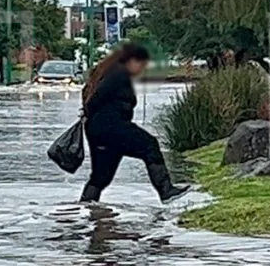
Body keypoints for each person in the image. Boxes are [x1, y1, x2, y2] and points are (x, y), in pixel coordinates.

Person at [79, 43, 190, 204]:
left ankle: (86, 209)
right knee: (150, 145)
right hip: (112, 127)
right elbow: (97, 97)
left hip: (97, 130)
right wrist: (89, 112)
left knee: (100, 177)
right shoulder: (119, 75)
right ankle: (166, 191)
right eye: (142, 65)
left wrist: (88, 115)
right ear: (132, 61)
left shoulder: (109, 73)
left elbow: (92, 98)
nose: (142, 70)